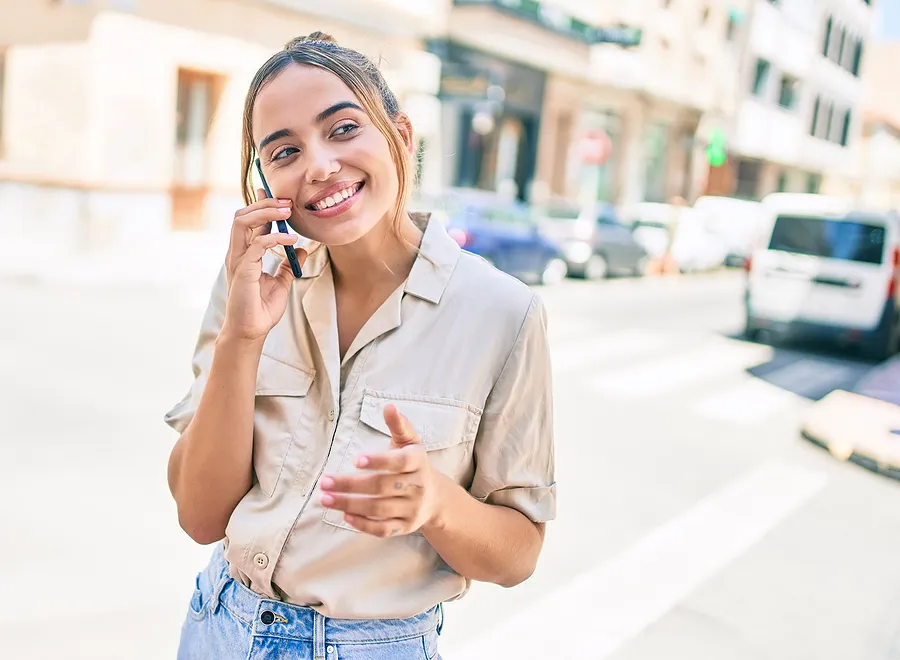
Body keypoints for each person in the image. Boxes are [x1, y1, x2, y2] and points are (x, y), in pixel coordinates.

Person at [163, 32, 556, 660]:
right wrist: (242, 338)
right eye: (285, 150)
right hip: (218, 627)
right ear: (266, 181)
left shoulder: (503, 313)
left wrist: (436, 501)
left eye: (342, 129)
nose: (318, 166)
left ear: (400, 136)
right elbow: (200, 517)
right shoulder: (254, 279)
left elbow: (518, 555)